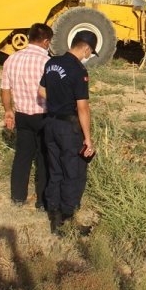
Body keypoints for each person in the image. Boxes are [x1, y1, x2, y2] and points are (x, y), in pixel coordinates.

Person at [39, 30, 97, 228]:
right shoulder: (78, 70)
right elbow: (83, 107)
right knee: (73, 171)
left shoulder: (51, 63)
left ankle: (53, 213)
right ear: (86, 49)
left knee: (55, 170)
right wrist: (88, 138)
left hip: (50, 123)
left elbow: (41, 90)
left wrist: (56, 101)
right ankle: (67, 216)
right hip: (68, 127)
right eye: (90, 52)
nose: (89, 55)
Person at [0, 23, 53, 209]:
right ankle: (42, 201)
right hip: (43, 115)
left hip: (22, 115)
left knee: (22, 156)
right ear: (46, 41)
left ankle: (17, 197)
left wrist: (8, 110)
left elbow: (5, 89)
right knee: (44, 159)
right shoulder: (47, 62)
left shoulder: (12, 59)